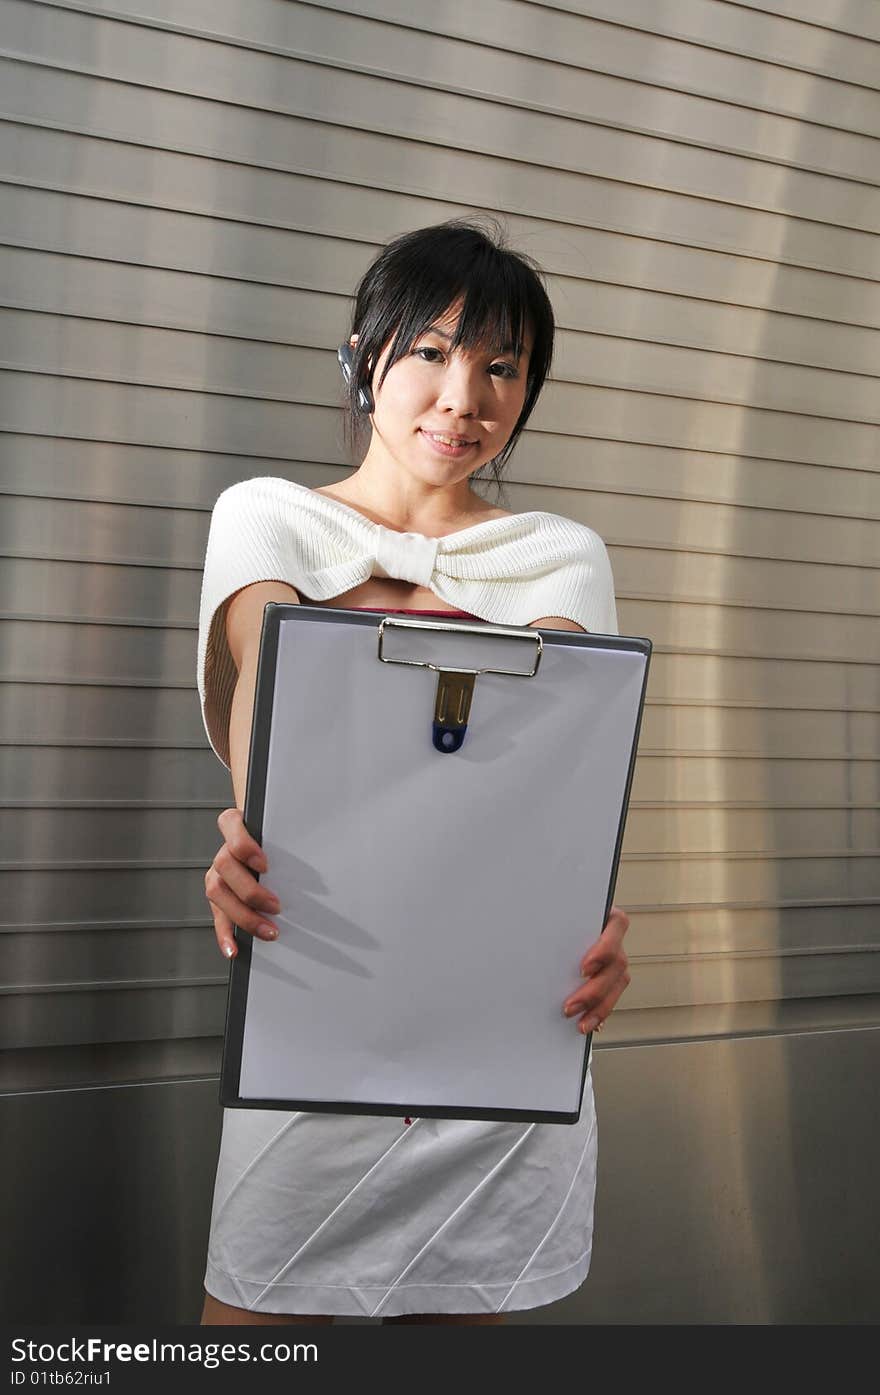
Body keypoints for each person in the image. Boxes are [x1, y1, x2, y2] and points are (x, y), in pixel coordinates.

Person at [197, 219, 631, 1326]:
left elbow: (556, 784)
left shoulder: (557, 554)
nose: (463, 396)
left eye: (500, 367)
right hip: (318, 998)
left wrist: (594, 913)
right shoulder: (268, 519)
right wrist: (245, 837)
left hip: (500, 1029)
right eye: (431, 351)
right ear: (364, 358)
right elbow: (271, 702)